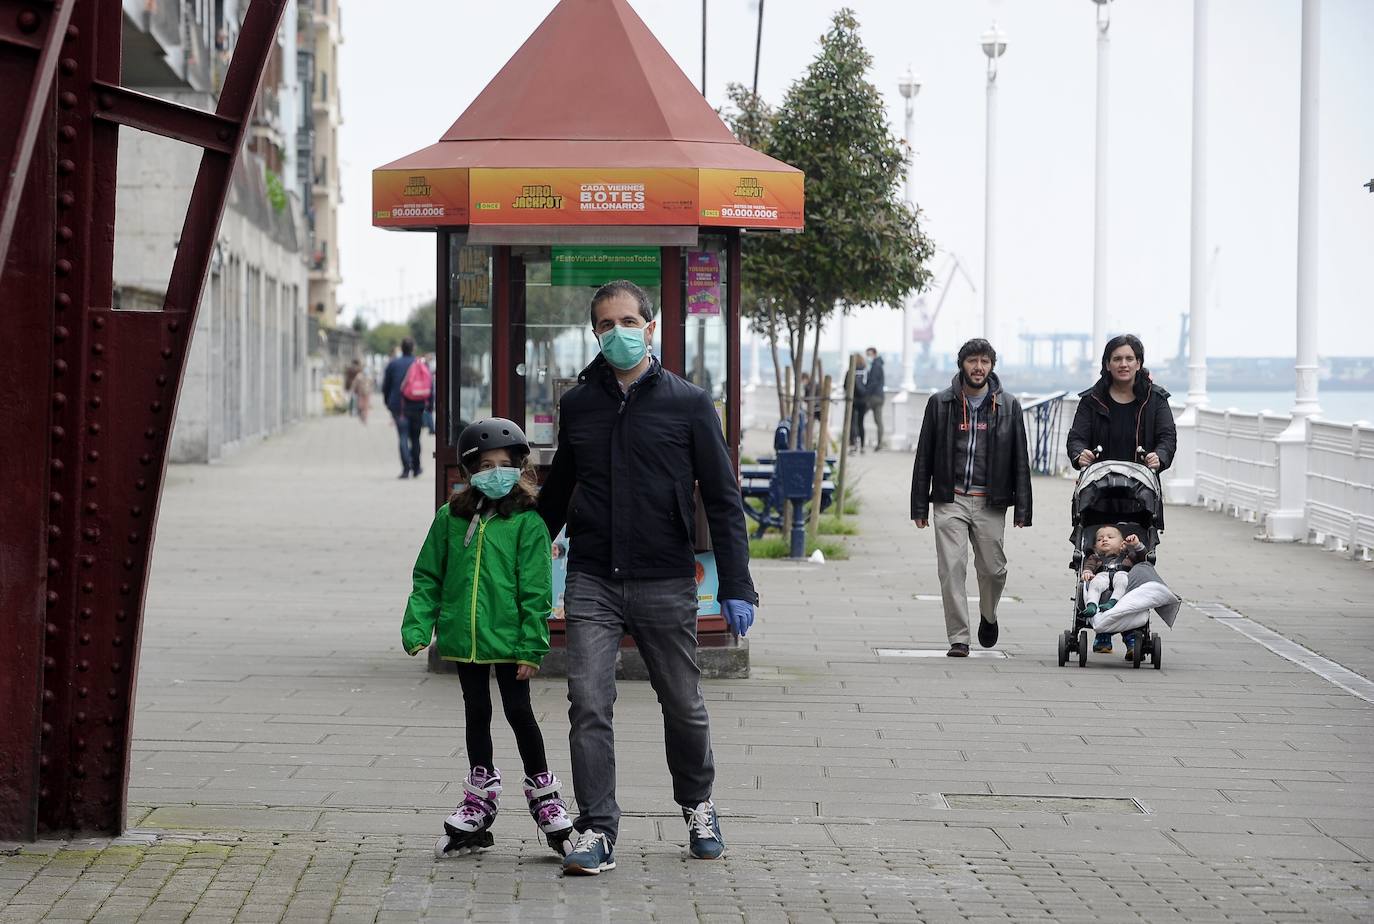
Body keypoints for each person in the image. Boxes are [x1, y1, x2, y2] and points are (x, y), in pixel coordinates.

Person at [538, 279, 757, 876]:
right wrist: (519, 548)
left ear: (650, 327)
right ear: (595, 333)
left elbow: (722, 498)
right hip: (592, 578)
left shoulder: (689, 403)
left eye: (627, 322)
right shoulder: (579, 404)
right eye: (605, 326)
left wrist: (737, 585)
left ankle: (698, 805)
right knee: (588, 701)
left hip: (665, 577)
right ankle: (596, 827)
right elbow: (558, 491)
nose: (617, 334)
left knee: (683, 703)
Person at [401, 418, 576, 858]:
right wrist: (419, 625)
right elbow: (428, 576)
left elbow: (537, 591)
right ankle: (479, 791)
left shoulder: (528, 523)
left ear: (520, 468)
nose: (496, 472)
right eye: (486, 465)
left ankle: (545, 796)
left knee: (520, 713)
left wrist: (532, 647)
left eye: (504, 464)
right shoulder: (449, 518)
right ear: (469, 471)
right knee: (476, 711)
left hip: (512, 642)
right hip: (465, 639)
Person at [910, 338, 1032, 657]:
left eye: (985, 362)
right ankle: (958, 638)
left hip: (991, 501)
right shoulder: (940, 403)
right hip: (950, 499)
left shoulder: (1008, 405)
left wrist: (1023, 509)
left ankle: (988, 616)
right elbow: (924, 456)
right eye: (972, 361)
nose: (978, 367)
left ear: (992, 367)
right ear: (961, 364)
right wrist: (920, 504)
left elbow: (1021, 457)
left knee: (994, 570)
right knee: (951, 568)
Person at [1066, 333, 1177, 653]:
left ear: (1139, 363)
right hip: (1098, 500)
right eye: (1117, 358)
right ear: (1107, 364)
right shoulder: (1092, 400)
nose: (1124, 364)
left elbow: (1168, 437)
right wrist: (1080, 455)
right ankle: (1099, 628)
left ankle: (1131, 631)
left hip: (1138, 501)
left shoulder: (1155, 400)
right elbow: (1076, 438)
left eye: (1129, 358)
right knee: (1098, 565)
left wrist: (1160, 456)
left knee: (1132, 566)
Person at [381, 338, 432, 479]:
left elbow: (386, 386)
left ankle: (405, 470)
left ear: (401, 348)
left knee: (403, 436)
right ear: (413, 348)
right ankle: (416, 468)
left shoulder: (393, 364)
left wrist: (387, 402)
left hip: (399, 407)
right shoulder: (420, 364)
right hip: (418, 405)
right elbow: (430, 385)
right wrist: (430, 406)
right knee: (416, 438)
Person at [1080, 524, 1147, 620]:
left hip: (1122, 574)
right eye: (1099, 539)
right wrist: (1087, 572)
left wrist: (1137, 544)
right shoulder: (1095, 558)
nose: (1104, 540)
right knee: (1095, 583)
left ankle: (1113, 602)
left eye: (1110, 537)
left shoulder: (1129, 556)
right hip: (1102, 575)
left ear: (1123, 544)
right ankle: (1092, 605)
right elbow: (1089, 566)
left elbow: (1143, 558)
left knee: (1123, 581)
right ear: (1095, 548)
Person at [861, 347, 886, 451]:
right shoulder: (879, 365)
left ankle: (856, 441)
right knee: (878, 421)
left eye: (869, 354)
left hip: (873, 397)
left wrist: (865, 393)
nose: (868, 357)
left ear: (874, 354)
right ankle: (880, 443)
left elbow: (873, 382)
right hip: (880, 396)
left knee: (859, 416)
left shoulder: (875, 366)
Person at [848, 353, 868, 453]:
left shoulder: (850, 371)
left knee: (852, 423)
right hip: (863, 400)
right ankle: (863, 446)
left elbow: (845, 385)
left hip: (853, 400)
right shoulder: (865, 371)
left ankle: (853, 444)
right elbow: (870, 384)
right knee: (861, 423)